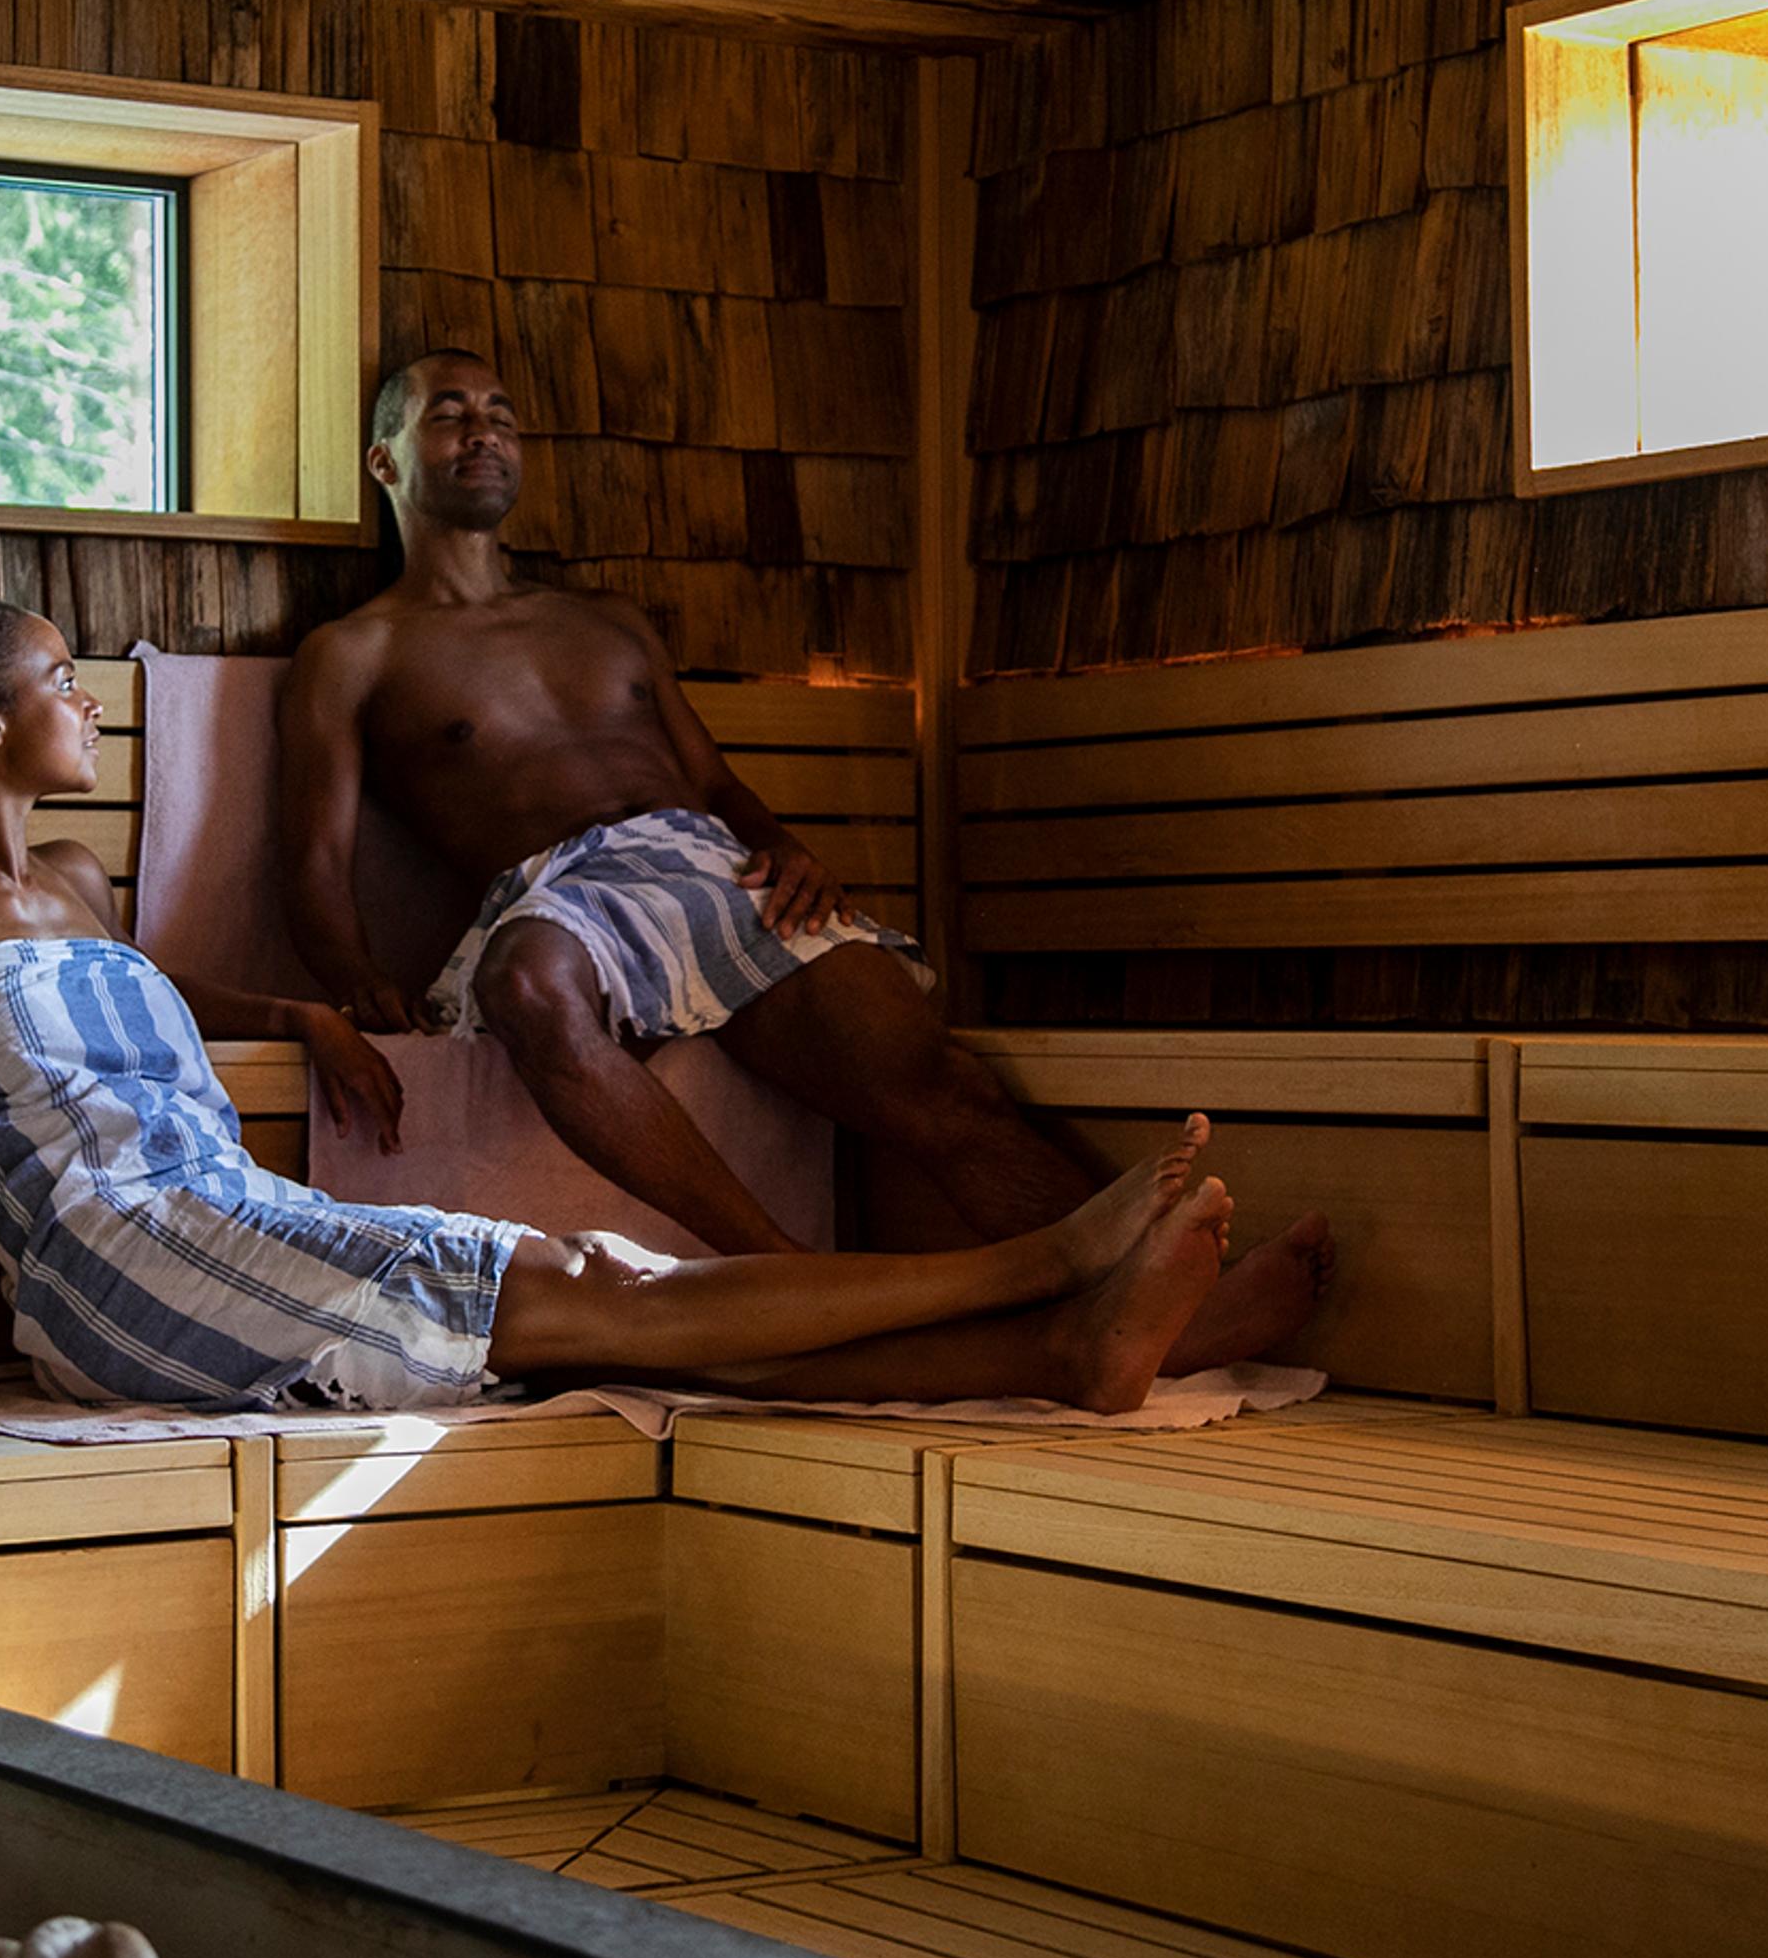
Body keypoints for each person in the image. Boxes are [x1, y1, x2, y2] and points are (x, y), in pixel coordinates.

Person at [0, 589, 1237, 1414]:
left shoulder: (72, 882)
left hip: (220, 1209)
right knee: (578, 1287)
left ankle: (1053, 1343)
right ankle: (1043, 1264)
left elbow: (154, 987)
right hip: (112, 1261)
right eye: (62, 682)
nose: (86, 702)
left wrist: (283, 1015)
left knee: (588, 1309)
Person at [281, 349, 1331, 1370]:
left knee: (935, 1079)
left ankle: (1168, 1314)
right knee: (525, 980)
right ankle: (785, 1278)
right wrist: (354, 983)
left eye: (502, 413)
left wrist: (782, 847)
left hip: (709, 863)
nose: (486, 431)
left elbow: (715, 780)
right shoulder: (356, 653)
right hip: (560, 890)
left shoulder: (605, 624)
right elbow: (315, 861)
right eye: (450, 413)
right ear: (385, 463)